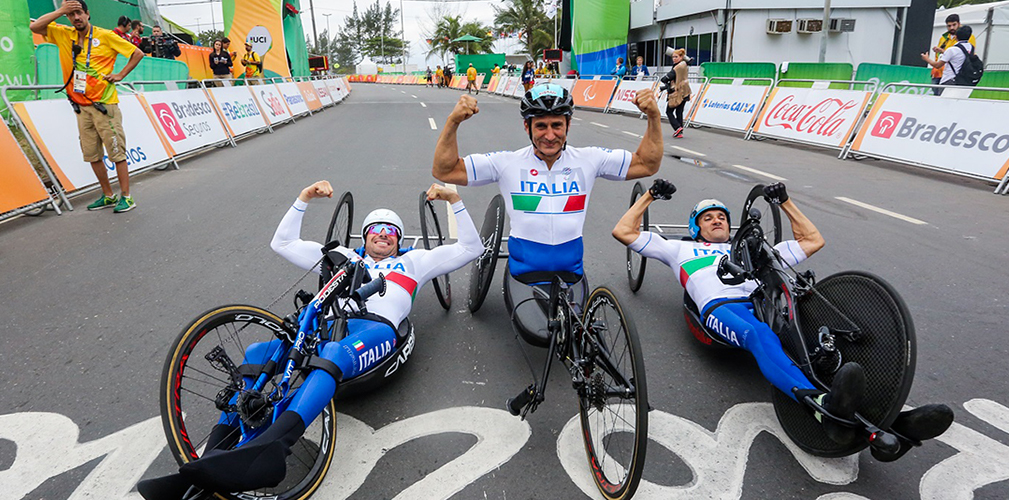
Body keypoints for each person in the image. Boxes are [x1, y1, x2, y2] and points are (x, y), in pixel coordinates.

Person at [137, 182, 483, 499]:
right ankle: (210, 459)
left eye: (391, 231)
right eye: (376, 229)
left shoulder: (414, 261)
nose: (383, 234)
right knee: (258, 352)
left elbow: (472, 247)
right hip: (326, 327)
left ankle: (275, 445)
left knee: (333, 352)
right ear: (364, 237)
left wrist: (454, 199)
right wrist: (304, 198)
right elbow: (283, 243)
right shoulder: (343, 258)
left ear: (398, 239)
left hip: (376, 331)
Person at [613, 179, 955, 456]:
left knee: (816, 336)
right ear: (695, 227)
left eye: (722, 216)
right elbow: (624, 232)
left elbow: (813, 240)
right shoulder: (679, 249)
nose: (717, 220)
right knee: (759, 335)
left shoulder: (753, 251)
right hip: (723, 309)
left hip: (768, 302)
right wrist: (650, 196)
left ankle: (891, 417)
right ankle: (820, 405)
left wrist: (786, 202)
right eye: (708, 218)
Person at [432, 83, 663, 283]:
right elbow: (445, 170)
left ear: (568, 125)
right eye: (541, 126)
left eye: (557, 125)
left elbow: (646, 164)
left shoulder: (589, 159)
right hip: (523, 275)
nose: (550, 136)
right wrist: (453, 121)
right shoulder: (506, 163)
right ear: (527, 127)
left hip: (571, 274)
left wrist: (653, 116)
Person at [30, 0, 144, 213]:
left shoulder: (106, 35)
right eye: (71, 14)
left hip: (105, 105)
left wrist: (120, 75)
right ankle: (108, 195)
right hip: (81, 107)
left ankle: (127, 197)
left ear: (87, 13)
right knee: (92, 155)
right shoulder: (64, 34)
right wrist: (60, 10)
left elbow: (137, 53)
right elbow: (35, 27)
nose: (76, 18)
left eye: (79, 13)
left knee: (117, 153)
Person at [926, 14, 977, 96]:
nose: (951, 28)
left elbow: (966, 53)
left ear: (959, 24)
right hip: (939, 73)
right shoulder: (944, 37)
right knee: (936, 96)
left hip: (954, 75)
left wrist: (942, 51)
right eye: (949, 26)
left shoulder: (967, 37)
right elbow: (940, 55)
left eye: (954, 25)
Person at [660, 48, 691, 138]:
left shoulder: (678, 67)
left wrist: (666, 80)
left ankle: (677, 127)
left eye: (676, 57)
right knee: (679, 112)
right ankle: (680, 132)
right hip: (686, 91)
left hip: (678, 92)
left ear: (681, 57)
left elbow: (666, 78)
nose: (674, 59)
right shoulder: (684, 64)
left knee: (669, 111)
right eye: (673, 57)